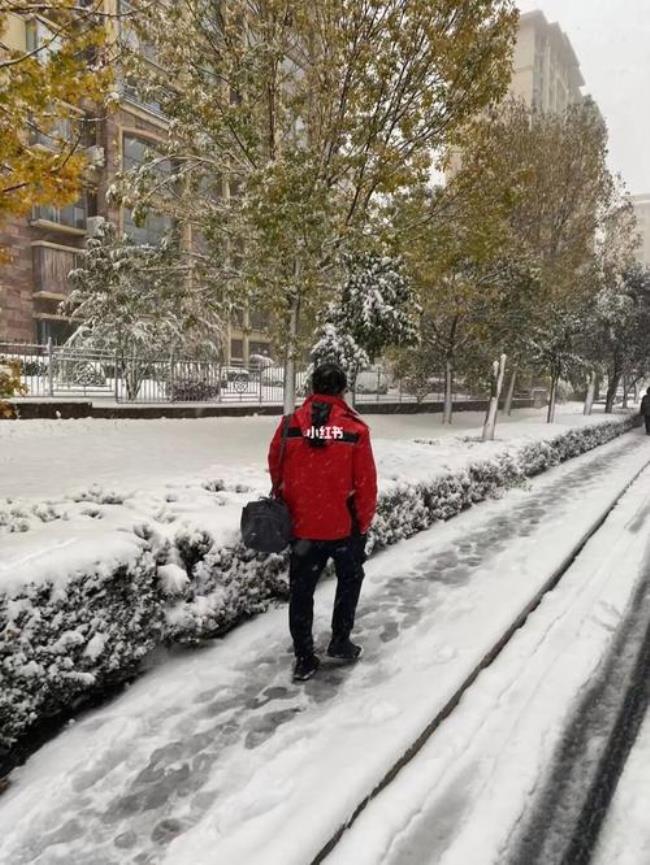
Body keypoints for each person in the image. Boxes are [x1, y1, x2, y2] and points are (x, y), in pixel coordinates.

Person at [268, 363, 378, 681]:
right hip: (343, 528)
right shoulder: (355, 430)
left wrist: (288, 497)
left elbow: (275, 465)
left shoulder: (290, 425)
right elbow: (366, 482)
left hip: (302, 528)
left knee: (301, 591)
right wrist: (363, 522)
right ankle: (340, 641)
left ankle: (304, 657)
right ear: (343, 389)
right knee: (349, 580)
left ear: (312, 387)